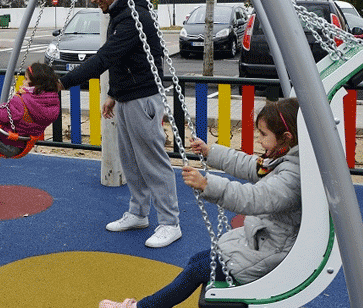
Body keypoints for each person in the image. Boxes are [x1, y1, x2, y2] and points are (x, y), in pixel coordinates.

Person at [100, 98, 301, 308]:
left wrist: (207, 184)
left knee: (196, 271)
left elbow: (253, 198)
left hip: (268, 254)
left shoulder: (291, 177)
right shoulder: (283, 158)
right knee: (197, 261)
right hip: (261, 241)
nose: (259, 140)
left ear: (286, 137)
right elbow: (250, 165)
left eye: (263, 134)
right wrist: (210, 152)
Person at [58, 0, 180, 248]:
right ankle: (138, 213)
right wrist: (113, 92)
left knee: (152, 161)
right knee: (131, 161)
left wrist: (63, 83)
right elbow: (122, 60)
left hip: (143, 99)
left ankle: (170, 222)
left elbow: (105, 57)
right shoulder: (119, 13)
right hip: (126, 96)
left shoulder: (132, 18)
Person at [0, 62, 60, 175]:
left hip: (6, 144)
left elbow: (1, 114)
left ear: (34, 85)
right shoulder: (53, 104)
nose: (23, 82)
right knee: (3, 128)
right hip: (24, 146)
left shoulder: (21, 101)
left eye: (26, 79)